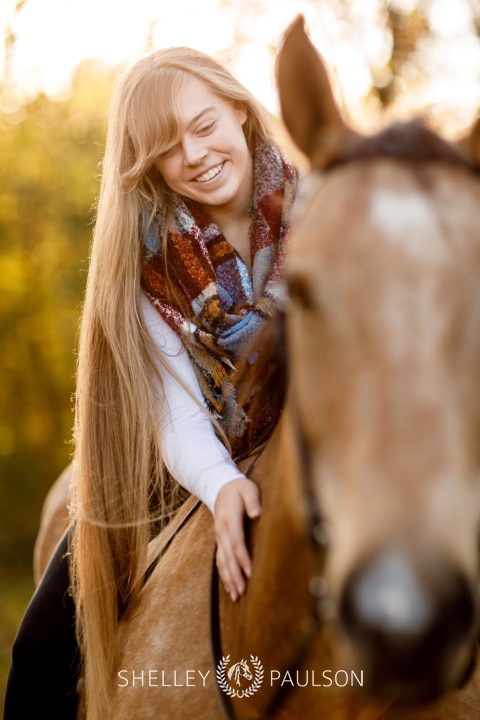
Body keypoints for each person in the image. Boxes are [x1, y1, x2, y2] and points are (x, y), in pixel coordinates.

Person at [4, 45, 298, 720]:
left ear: (241, 112)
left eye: (204, 125)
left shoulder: (325, 215)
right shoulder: (150, 265)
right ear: (150, 166)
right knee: (38, 654)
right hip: (185, 466)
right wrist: (223, 483)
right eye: (169, 147)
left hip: (311, 443)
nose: (194, 154)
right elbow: (176, 413)